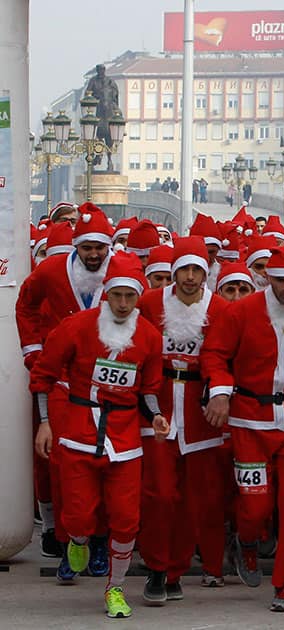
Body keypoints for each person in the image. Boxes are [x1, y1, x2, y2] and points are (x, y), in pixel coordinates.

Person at [30, 253, 167, 619]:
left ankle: (115, 588)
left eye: (131, 296)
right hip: (77, 434)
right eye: (117, 295)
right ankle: (76, 540)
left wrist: (155, 416)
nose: (123, 304)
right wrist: (45, 422)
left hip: (124, 441)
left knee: (126, 519)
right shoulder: (77, 326)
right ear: (106, 293)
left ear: (139, 297)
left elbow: (149, 387)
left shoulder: (150, 337)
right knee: (77, 517)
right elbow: (43, 374)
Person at [201, 246, 284, 612]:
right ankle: (248, 540)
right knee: (255, 505)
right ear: (266, 277)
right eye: (279, 279)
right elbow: (215, 354)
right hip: (249, 425)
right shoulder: (242, 312)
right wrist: (221, 393)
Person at [16, 203, 115, 582]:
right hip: (61, 385)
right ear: (75, 244)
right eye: (87, 247)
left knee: (109, 464)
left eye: (99, 248)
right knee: (62, 466)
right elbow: (24, 304)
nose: (93, 254)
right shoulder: (51, 271)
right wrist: (32, 349)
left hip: (107, 385)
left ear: (109, 248)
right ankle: (69, 540)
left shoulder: (121, 273)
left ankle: (102, 540)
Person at [136, 237, 230, 602]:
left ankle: (174, 571)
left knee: (194, 499)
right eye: (183, 270)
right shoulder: (149, 303)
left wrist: (221, 394)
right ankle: (156, 567)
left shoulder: (219, 308)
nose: (190, 278)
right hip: (157, 407)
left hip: (198, 411)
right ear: (173, 271)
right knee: (159, 493)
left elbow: (223, 358)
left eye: (197, 270)